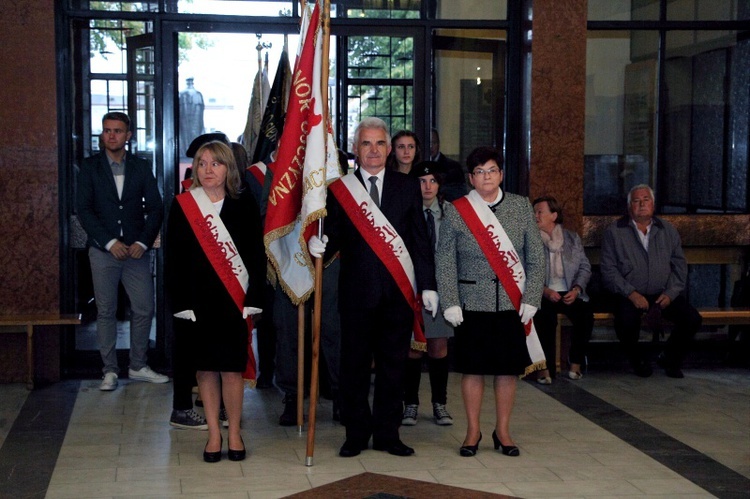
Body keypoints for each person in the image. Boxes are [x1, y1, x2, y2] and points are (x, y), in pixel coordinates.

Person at [309, 117, 439, 458]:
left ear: (388, 149)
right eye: (366, 143)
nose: (373, 150)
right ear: (356, 149)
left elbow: (418, 239)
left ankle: (387, 433)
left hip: (396, 293)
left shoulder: (406, 186)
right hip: (355, 294)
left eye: (380, 143)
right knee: (353, 367)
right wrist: (318, 243)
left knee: (393, 367)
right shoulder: (341, 189)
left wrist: (428, 285)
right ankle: (355, 433)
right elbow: (333, 235)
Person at [436, 146, 545, 458]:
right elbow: (445, 260)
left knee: (507, 370)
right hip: (471, 303)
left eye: (492, 170)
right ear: (471, 178)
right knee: (473, 370)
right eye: (480, 172)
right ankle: (473, 432)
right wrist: (450, 301)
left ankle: (504, 431)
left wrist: (532, 296)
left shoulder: (521, 206)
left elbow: (536, 256)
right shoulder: (458, 209)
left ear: (501, 174)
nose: (487, 177)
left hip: (512, 303)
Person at [166, 141, 265, 462]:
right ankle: (213, 434)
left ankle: (234, 432)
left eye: (216, 164)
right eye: (202, 163)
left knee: (232, 370)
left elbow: (255, 253)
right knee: (206, 370)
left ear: (228, 169)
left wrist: (254, 297)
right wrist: (179, 300)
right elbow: (174, 259)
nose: (208, 170)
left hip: (234, 299)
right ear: (194, 168)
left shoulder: (244, 203)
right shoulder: (183, 205)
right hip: (196, 303)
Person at [77, 111, 167, 391]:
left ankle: (138, 365)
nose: (111, 135)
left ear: (128, 136)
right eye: (106, 130)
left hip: (135, 252)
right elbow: (84, 210)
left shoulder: (141, 167)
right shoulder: (89, 167)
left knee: (143, 307)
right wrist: (109, 242)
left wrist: (141, 242)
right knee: (106, 311)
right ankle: (109, 371)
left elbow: (155, 207)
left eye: (117, 131)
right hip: (103, 251)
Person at [600, 184, 701, 378]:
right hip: (629, 293)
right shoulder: (615, 231)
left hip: (662, 292)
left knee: (692, 319)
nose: (641, 204)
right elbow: (608, 270)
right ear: (630, 207)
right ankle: (638, 360)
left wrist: (671, 294)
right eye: (636, 201)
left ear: (653, 205)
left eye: (646, 200)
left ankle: (670, 358)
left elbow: (680, 266)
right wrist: (631, 293)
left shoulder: (667, 230)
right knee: (626, 320)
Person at [402, 161, 454, 427]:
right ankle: (410, 403)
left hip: (441, 288)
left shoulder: (449, 213)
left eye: (433, 181)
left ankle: (440, 403)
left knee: (438, 346)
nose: (428, 186)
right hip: (412, 288)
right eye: (422, 181)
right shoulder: (407, 212)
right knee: (413, 347)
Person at [531, 196, 594, 383]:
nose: (536, 215)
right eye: (534, 211)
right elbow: (523, 272)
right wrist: (545, 290)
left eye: (540, 211)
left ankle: (575, 363)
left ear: (554, 215)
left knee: (585, 315)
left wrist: (576, 289)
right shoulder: (530, 239)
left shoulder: (571, 238)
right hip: (542, 292)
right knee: (545, 319)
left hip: (569, 291)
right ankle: (544, 369)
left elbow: (585, 267)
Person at [429, 128, 468, 202]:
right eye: (428, 143)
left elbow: (460, 195)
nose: (431, 147)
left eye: (434, 143)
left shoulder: (453, 167)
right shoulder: (417, 167)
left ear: (439, 144)